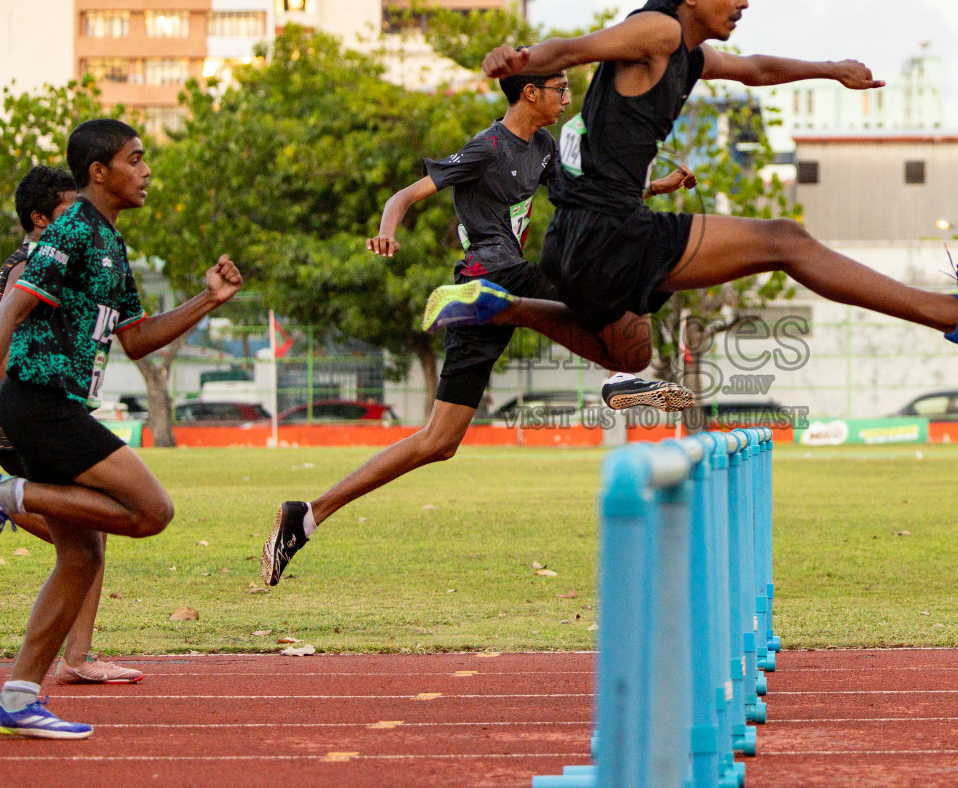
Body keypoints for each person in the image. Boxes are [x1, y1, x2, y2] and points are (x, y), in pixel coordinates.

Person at [424, 0, 958, 370]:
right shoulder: (658, 30)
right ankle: (953, 314)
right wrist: (519, 59)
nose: (744, 0)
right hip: (608, 233)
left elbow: (755, 69)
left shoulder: (692, 54)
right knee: (784, 239)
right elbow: (574, 48)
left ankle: (500, 305)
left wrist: (831, 68)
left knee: (630, 358)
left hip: (576, 244)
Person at [260, 72, 695, 586]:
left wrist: (655, 187)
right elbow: (403, 195)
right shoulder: (487, 147)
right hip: (493, 275)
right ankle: (616, 378)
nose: (566, 99)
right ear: (530, 92)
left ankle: (305, 517)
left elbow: (585, 199)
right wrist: (386, 232)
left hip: (490, 295)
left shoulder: (546, 148)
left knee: (437, 442)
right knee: (605, 286)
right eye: (560, 89)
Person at [0, 119, 245, 739]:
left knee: (81, 554)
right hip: (39, 402)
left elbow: (136, 340)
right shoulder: (74, 228)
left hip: (60, 406)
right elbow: (10, 310)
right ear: (99, 172)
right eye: (135, 159)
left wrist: (207, 300)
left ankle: (17, 698)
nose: (146, 170)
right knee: (152, 509)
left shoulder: (110, 242)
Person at [0, 165, 141, 686]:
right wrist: (12, 396)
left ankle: (73, 658)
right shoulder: (31, 262)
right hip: (21, 411)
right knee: (90, 530)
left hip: (30, 407)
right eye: (70, 210)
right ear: (41, 219)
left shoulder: (53, 256)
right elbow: (5, 330)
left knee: (88, 536)